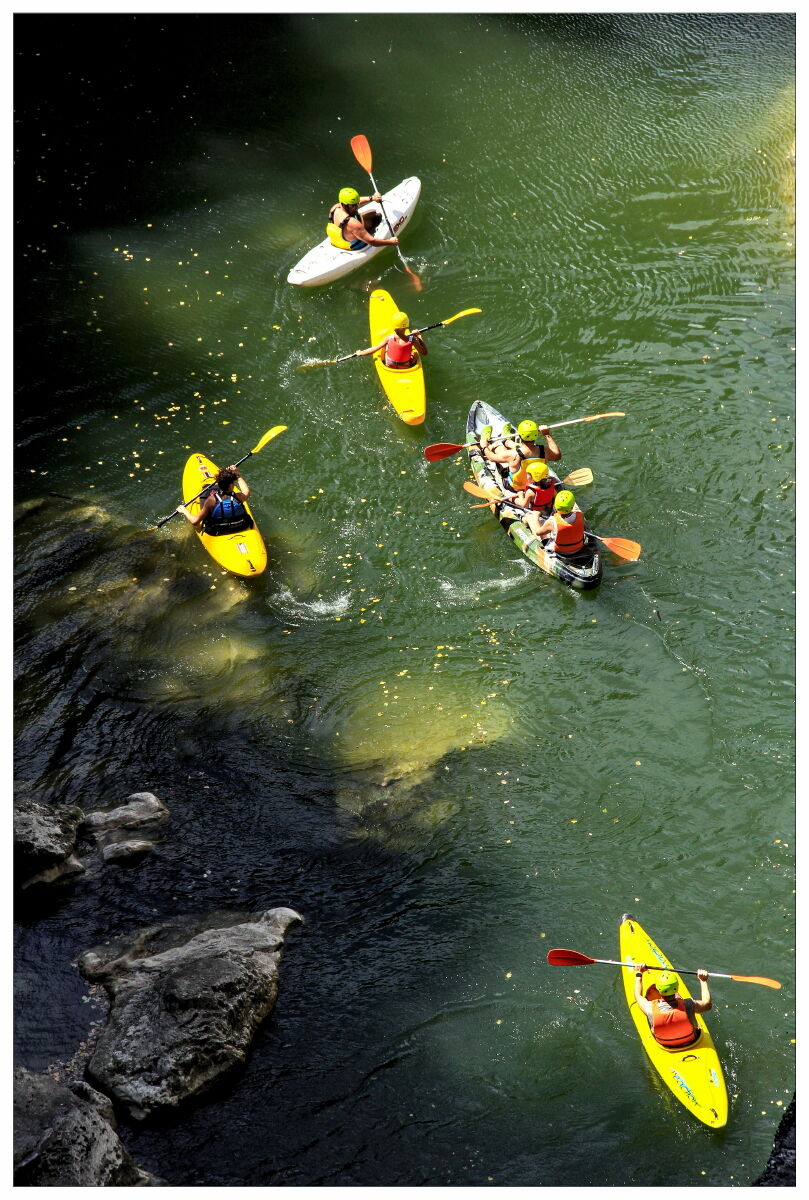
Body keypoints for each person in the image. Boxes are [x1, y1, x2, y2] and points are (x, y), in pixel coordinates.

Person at [634, 964, 712, 1050]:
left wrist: (639, 974)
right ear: (677, 987)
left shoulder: (649, 1008)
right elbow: (707, 1004)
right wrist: (703, 981)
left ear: (658, 989)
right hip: (692, 1042)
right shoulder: (689, 1004)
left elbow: (637, 995)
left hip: (665, 1046)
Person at [176, 465, 253, 536]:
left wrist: (184, 511)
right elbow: (247, 491)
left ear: (218, 484)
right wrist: (237, 475)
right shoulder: (239, 497)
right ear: (231, 485)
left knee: (205, 517)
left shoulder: (211, 500)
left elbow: (195, 521)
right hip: (241, 527)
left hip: (218, 532)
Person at [327, 186, 399, 252]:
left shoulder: (335, 208)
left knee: (374, 214)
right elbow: (372, 242)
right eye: (353, 206)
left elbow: (355, 202)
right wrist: (391, 242)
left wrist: (372, 198)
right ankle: (372, 232)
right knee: (377, 218)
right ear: (344, 204)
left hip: (337, 241)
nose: (356, 207)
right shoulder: (353, 223)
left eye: (357, 204)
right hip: (355, 245)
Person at [353, 311, 428, 369]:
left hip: (389, 366)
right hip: (406, 367)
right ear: (406, 326)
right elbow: (424, 352)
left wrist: (361, 353)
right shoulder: (412, 340)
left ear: (394, 327)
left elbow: (375, 348)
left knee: (384, 347)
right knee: (414, 354)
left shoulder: (389, 338)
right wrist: (419, 336)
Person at [514, 459, 558, 536]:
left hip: (535, 512)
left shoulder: (530, 492)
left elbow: (524, 505)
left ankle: (525, 519)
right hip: (547, 509)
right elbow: (555, 495)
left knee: (513, 499)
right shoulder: (550, 485)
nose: (526, 475)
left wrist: (518, 496)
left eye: (528, 474)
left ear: (535, 477)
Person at [535, 490, 586, 555]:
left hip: (559, 552)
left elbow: (538, 533)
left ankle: (524, 518)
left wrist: (536, 518)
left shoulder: (551, 522)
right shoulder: (580, 515)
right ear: (572, 506)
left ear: (555, 506)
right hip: (578, 548)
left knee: (532, 518)